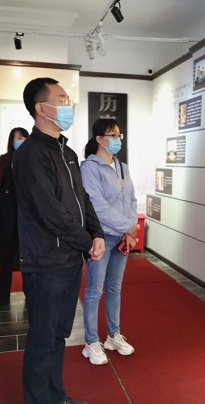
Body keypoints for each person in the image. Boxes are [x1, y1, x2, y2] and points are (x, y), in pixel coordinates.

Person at [14, 77, 105, 404]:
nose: (69, 105)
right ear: (42, 108)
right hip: (45, 262)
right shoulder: (31, 155)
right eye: (62, 99)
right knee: (42, 337)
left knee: (58, 335)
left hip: (69, 259)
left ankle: (55, 395)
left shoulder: (67, 152)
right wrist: (86, 242)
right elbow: (49, 211)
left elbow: (83, 200)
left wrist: (96, 234)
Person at [78, 118, 139, 366]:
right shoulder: (89, 167)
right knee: (95, 290)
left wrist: (130, 229)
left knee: (115, 288)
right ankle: (91, 342)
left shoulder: (122, 167)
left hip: (122, 237)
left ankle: (114, 335)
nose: (117, 139)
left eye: (118, 135)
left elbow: (132, 199)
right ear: (99, 139)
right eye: (112, 135)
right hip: (101, 237)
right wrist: (127, 226)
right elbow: (96, 206)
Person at [0, 127, 28, 306]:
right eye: (19, 138)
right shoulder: (3, 160)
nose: (21, 141)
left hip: (26, 215)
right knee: (6, 255)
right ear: (12, 141)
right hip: (6, 214)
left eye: (24, 138)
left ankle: (30, 295)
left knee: (27, 257)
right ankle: (3, 296)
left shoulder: (32, 159)